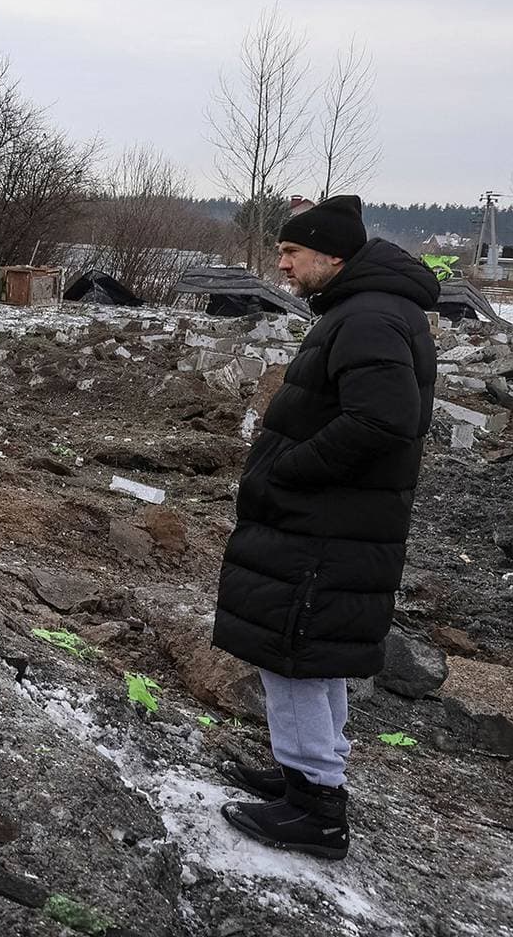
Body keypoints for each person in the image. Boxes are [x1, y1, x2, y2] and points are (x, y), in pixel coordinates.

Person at [211, 194, 440, 860]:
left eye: (291, 253)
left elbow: (384, 419)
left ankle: (316, 812)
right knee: (311, 652)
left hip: (326, 522)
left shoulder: (368, 317)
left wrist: (293, 472)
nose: (280, 263)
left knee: (299, 653)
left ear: (333, 257)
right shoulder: (365, 309)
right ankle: (304, 779)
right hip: (333, 521)